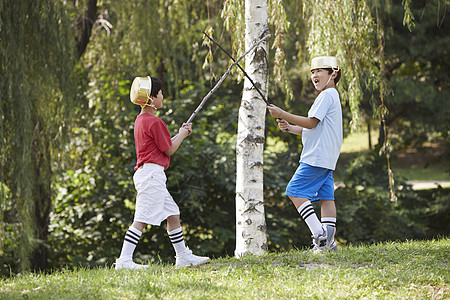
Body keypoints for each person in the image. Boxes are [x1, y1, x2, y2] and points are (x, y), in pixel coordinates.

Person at [115, 76, 210, 269]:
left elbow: (163, 146)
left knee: (173, 213)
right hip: (152, 175)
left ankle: (182, 256)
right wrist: (182, 135)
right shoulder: (155, 122)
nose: (162, 96)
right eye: (160, 93)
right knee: (141, 218)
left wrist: (179, 133)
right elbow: (169, 150)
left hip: (149, 173)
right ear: (151, 98)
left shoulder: (142, 120)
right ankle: (124, 260)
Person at [267, 56, 343, 252]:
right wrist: (290, 128)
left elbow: (310, 122)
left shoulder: (326, 96)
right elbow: (313, 129)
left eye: (319, 71)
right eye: (312, 72)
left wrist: (282, 113)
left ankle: (320, 237)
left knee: (294, 191)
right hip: (327, 157)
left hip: (316, 157)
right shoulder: (333, 96)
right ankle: (330, 244)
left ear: (333, 74)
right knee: (327, 198)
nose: (314, 76)